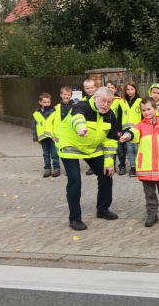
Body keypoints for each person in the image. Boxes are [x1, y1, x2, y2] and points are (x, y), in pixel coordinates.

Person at [56, 87, 120, 231]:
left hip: (91, 148)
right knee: (75, 180)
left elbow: (110, 142)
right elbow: (77, 117)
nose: (105, 105)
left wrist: (109, 163)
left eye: (109, 102)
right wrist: (80, 127)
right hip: (70, 146)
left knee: (106, 174)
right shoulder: (82, 106)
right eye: (103, 100)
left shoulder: (110, 116)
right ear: (95, 98)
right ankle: (75, 219)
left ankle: (102, 209)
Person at [119, 97, 159, 227]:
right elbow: (133, 132)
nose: (146, 112)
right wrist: (127, 136)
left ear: (155, 109)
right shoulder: (140, 125)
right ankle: (152, 214)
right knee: (149, 194)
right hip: (146, 167)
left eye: (149, 109)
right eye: (143, 110)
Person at [32, 92, 60, 178]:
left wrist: (58, 136)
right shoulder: (36, 114)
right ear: (40, 102)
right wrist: (35, 137)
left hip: (53, 137)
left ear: (50, 102)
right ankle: (47, 169)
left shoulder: (55, 112)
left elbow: (57, 124)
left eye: (48, 102)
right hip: (43, 138)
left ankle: (56, 168)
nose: (46, 104)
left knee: (55, 153)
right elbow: (34, 126)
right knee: (46, 154)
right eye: (44, 102)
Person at [121, 82, 142, 176]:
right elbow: (119, 117)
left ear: (135, 90)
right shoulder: (122, 102)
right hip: (126, 130)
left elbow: (143, 115)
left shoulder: (140, 101)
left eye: (132, 89)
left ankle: (140, 166)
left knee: (138, 149)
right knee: (130, 149)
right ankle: (133, 168)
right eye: (127, 89)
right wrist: (119, 130)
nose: (129, 91)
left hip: (138, 129)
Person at [106, 82, 126, 175]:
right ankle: (111, 166)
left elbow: (120, 117)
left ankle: (122, 166)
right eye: (108, 87)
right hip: (106, 130)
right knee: (110, 149)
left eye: (112, 87)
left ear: (115, 89)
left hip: (116, 129)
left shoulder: (119, 101)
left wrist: (119, 130)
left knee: (120, 149)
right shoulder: (103, 100)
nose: (110, 89)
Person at [82, 78, 98, 176]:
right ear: (84, 89)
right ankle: (92, 167)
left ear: (95, 88)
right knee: (89, 147)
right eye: (87, 88)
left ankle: (99, 166)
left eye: (91, 88)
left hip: (98, 126)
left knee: (98, 147)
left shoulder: (98, 98)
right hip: (88, 128)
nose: (90, 90)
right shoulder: (82, 100)